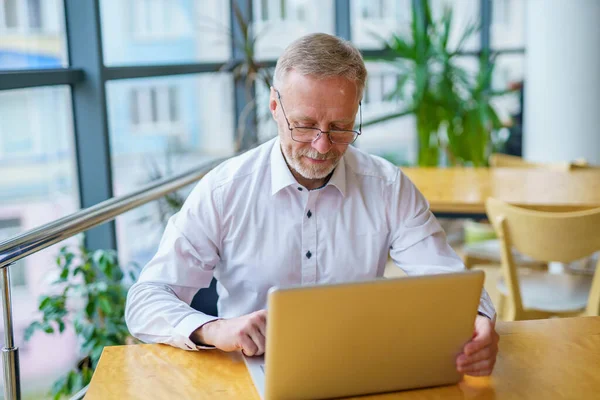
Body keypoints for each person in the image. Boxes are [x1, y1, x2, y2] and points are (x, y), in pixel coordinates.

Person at [125, 33, 499, 377]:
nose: (322, 146)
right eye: (304, 125)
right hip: (250, 375)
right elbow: (145, 300)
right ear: (274, 106)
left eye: (340, 127)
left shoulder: (387, 186)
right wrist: (215, 329)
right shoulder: (225, 190)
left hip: (360, 369)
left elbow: (451, 284)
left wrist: (478, 319)